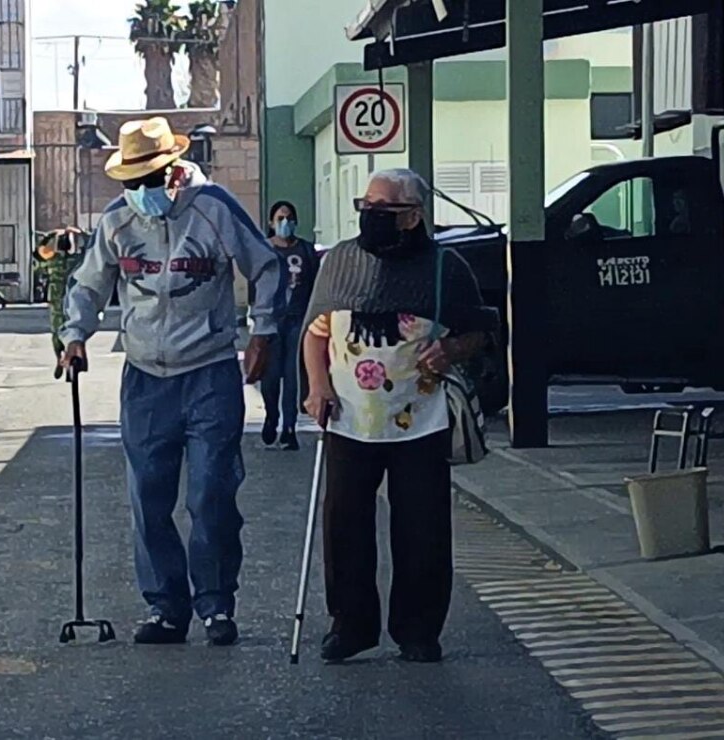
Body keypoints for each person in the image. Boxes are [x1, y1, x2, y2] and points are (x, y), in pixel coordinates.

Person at [60, 117, 285, 647]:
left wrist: (263, 334)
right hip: (144, 377)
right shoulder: (117, 221)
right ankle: (166, 608)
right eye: (130, 184)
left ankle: (215, 604)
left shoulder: (215, 210)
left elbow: (267, 267)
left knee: (211, 494)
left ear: (174, 172)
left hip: (209, 371)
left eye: (148, 181)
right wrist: (74, 336)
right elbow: (89, 284)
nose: (140, 193)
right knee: (148, 497)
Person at [299, 169, 496, 663]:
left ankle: (419, 629)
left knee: (423, 528)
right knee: (344, 525)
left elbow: (481, 330)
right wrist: (317, 386)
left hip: (421, 419)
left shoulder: (445, 267)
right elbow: (315, 331)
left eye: (385, 212)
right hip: (349, 417)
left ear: (413, 216)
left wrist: (450, 349)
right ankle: (351, 625)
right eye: (366, 208)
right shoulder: (340, 261)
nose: (373, 219)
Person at [257, 200, 319, 451]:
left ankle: (289, 427)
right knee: (270, 376)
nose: (285, 223)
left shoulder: (305, 249)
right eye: (280, 218)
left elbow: (315, 282)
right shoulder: (263, 249)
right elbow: (256, 282)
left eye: (289, 218)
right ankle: (271, 414)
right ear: (272, 222)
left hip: (298, 320)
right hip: (271, 321)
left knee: (292, 375)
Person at [34, 227, 84, 379]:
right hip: (74, 300)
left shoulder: (52, 260)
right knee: (76, 330)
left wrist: (50, 235)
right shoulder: (77, 261)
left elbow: (38, 253)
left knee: (56, 331)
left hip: (56, 299)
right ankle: (76, 356)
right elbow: (90, 246)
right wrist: (79, 233)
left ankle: (59, 358)